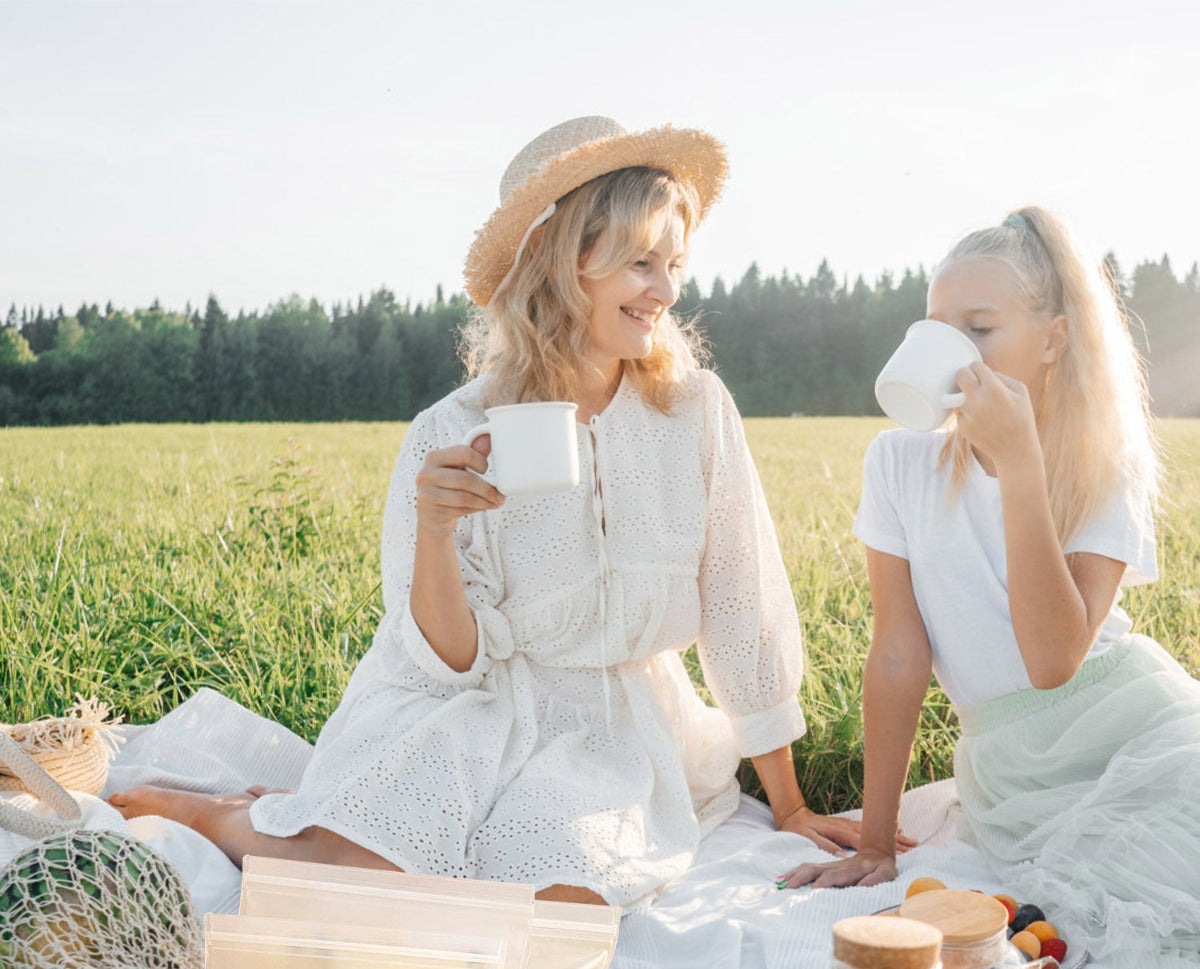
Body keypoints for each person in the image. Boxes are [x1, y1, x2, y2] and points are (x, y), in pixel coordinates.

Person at [110, 116, 898, 908]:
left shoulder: (693, 412)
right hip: (465, 707)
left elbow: (742, 603)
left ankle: (296, 819)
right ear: (562, 267)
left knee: (557, 903)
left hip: (610, 727)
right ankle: (220, 814)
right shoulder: (450, 430)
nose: (666, 290)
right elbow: (448, 659)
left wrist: (789, 804)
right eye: (639, 263)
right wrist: (436, 530)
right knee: (352, 879)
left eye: (674, 263)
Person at [781, 206, 1200, 962]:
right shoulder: (899, 463)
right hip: (1012, 770)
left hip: (1125, 729)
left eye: (979, 329)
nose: (954, 352)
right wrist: (877, 841)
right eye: (938, 329)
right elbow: (899, 655)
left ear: (1052, 341)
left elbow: (1052, 662)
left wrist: (1021, 469)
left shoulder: (1104, 467)